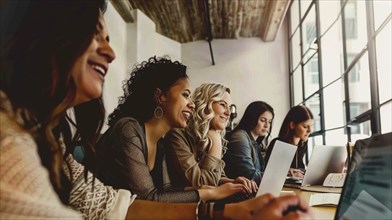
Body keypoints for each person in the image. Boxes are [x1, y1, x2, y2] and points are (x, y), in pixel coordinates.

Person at [0, 1, 314, 219]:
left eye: (109, 39)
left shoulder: (46, 137)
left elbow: (115, 207)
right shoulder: (10, 145)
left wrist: (229, 211)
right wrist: (216, 199)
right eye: (94, 36)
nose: (110, 52)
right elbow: (151, 198)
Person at [95, 56, 246, 202]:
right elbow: (149, 198)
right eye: (185, 95)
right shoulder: (128, 129)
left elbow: (165, 190)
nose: (192, 104)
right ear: (161, 96)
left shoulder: (160, 141)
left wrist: (212, 188)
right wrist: (207, 194)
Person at [164, 83, 258, 194]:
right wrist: (216, 143)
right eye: (223, 105)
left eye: (229, 107)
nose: (228, 113)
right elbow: (202, 184)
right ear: (206, 104)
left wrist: (233, 182)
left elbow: (216, 178)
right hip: (188, 208)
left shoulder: (209, 135)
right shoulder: (177, 135)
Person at [223, 101, 274, 185]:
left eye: (269, 121)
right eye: (262, 120)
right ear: (252, 118)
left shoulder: (255, 142)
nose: (267, 125)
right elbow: (249, 175)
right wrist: (278, 178)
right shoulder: (239, 137)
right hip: (237, 194)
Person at [265, 105, 314, 178]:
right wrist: (288, 172)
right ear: (292, 125)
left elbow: (300, 167)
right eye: (305, 126)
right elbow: (271, 173)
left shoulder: (303, 143)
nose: (310, 130)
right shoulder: (278, 143)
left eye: (311, 126)